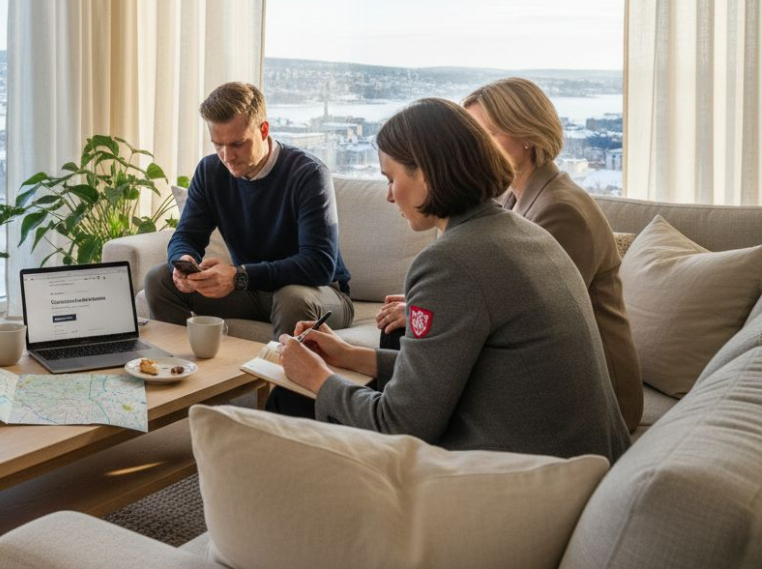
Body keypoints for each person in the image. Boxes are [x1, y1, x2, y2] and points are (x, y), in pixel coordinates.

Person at [269, 98, 630, 461]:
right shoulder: (526, 233)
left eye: (392, 178)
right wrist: (349, 355)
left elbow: (399, 423)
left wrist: (317, 377)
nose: (389, 195)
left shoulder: (448, 262)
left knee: (293, 397)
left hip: (525, 475)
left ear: (426, 174)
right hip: (577, 460)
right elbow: (446, 371)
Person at [374, 78, 643, 432]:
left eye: (486, 134)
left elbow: (530, 307)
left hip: (582, 392)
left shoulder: (562, 210)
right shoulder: (511, 202)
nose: (471, 147)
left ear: (526, 135)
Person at [144, 81, 353, 340]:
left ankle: (280, 380)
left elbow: (318, 265)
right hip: (254, 289)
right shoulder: (210, 172)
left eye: (237, 144)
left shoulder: (308, 174)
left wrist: (238, 276)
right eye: (217, 144)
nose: (226, 156)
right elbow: (186, 235)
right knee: (159, 280)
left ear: (263, 129)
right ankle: (184, 371)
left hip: (319, 292)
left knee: (291, 298)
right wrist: (184, 261)